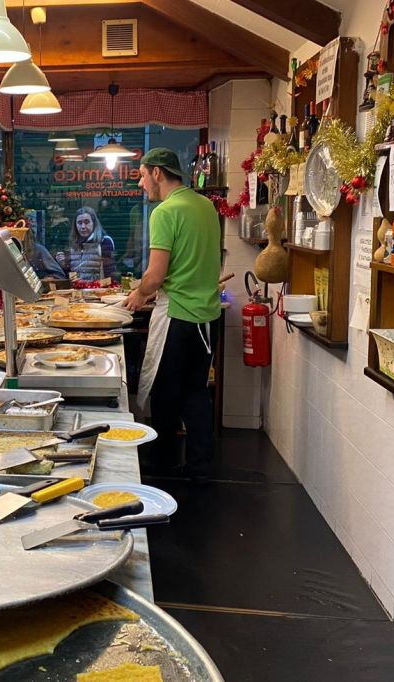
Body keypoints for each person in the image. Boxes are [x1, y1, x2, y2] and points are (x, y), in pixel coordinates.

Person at [126, 147, 222, 484]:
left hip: (180, 316)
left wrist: (139, 294)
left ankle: (163, 466)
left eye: (141, 175)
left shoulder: (165, 212)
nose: (140, 184)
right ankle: (199, 469)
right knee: (195, 393)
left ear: (156, 172)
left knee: (166, 395)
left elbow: (155, 276)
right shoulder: (205, 206)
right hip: (207, 317)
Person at [57, 207, 117, 281]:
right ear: (75, 225)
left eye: (87, 222)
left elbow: (110, 273)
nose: (83, 227)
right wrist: (64, 265)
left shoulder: (104, 241)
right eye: (79, 223)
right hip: (77, 291)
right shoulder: (73, 243)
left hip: (98, 291)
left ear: (94, 223)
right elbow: (71, 277)